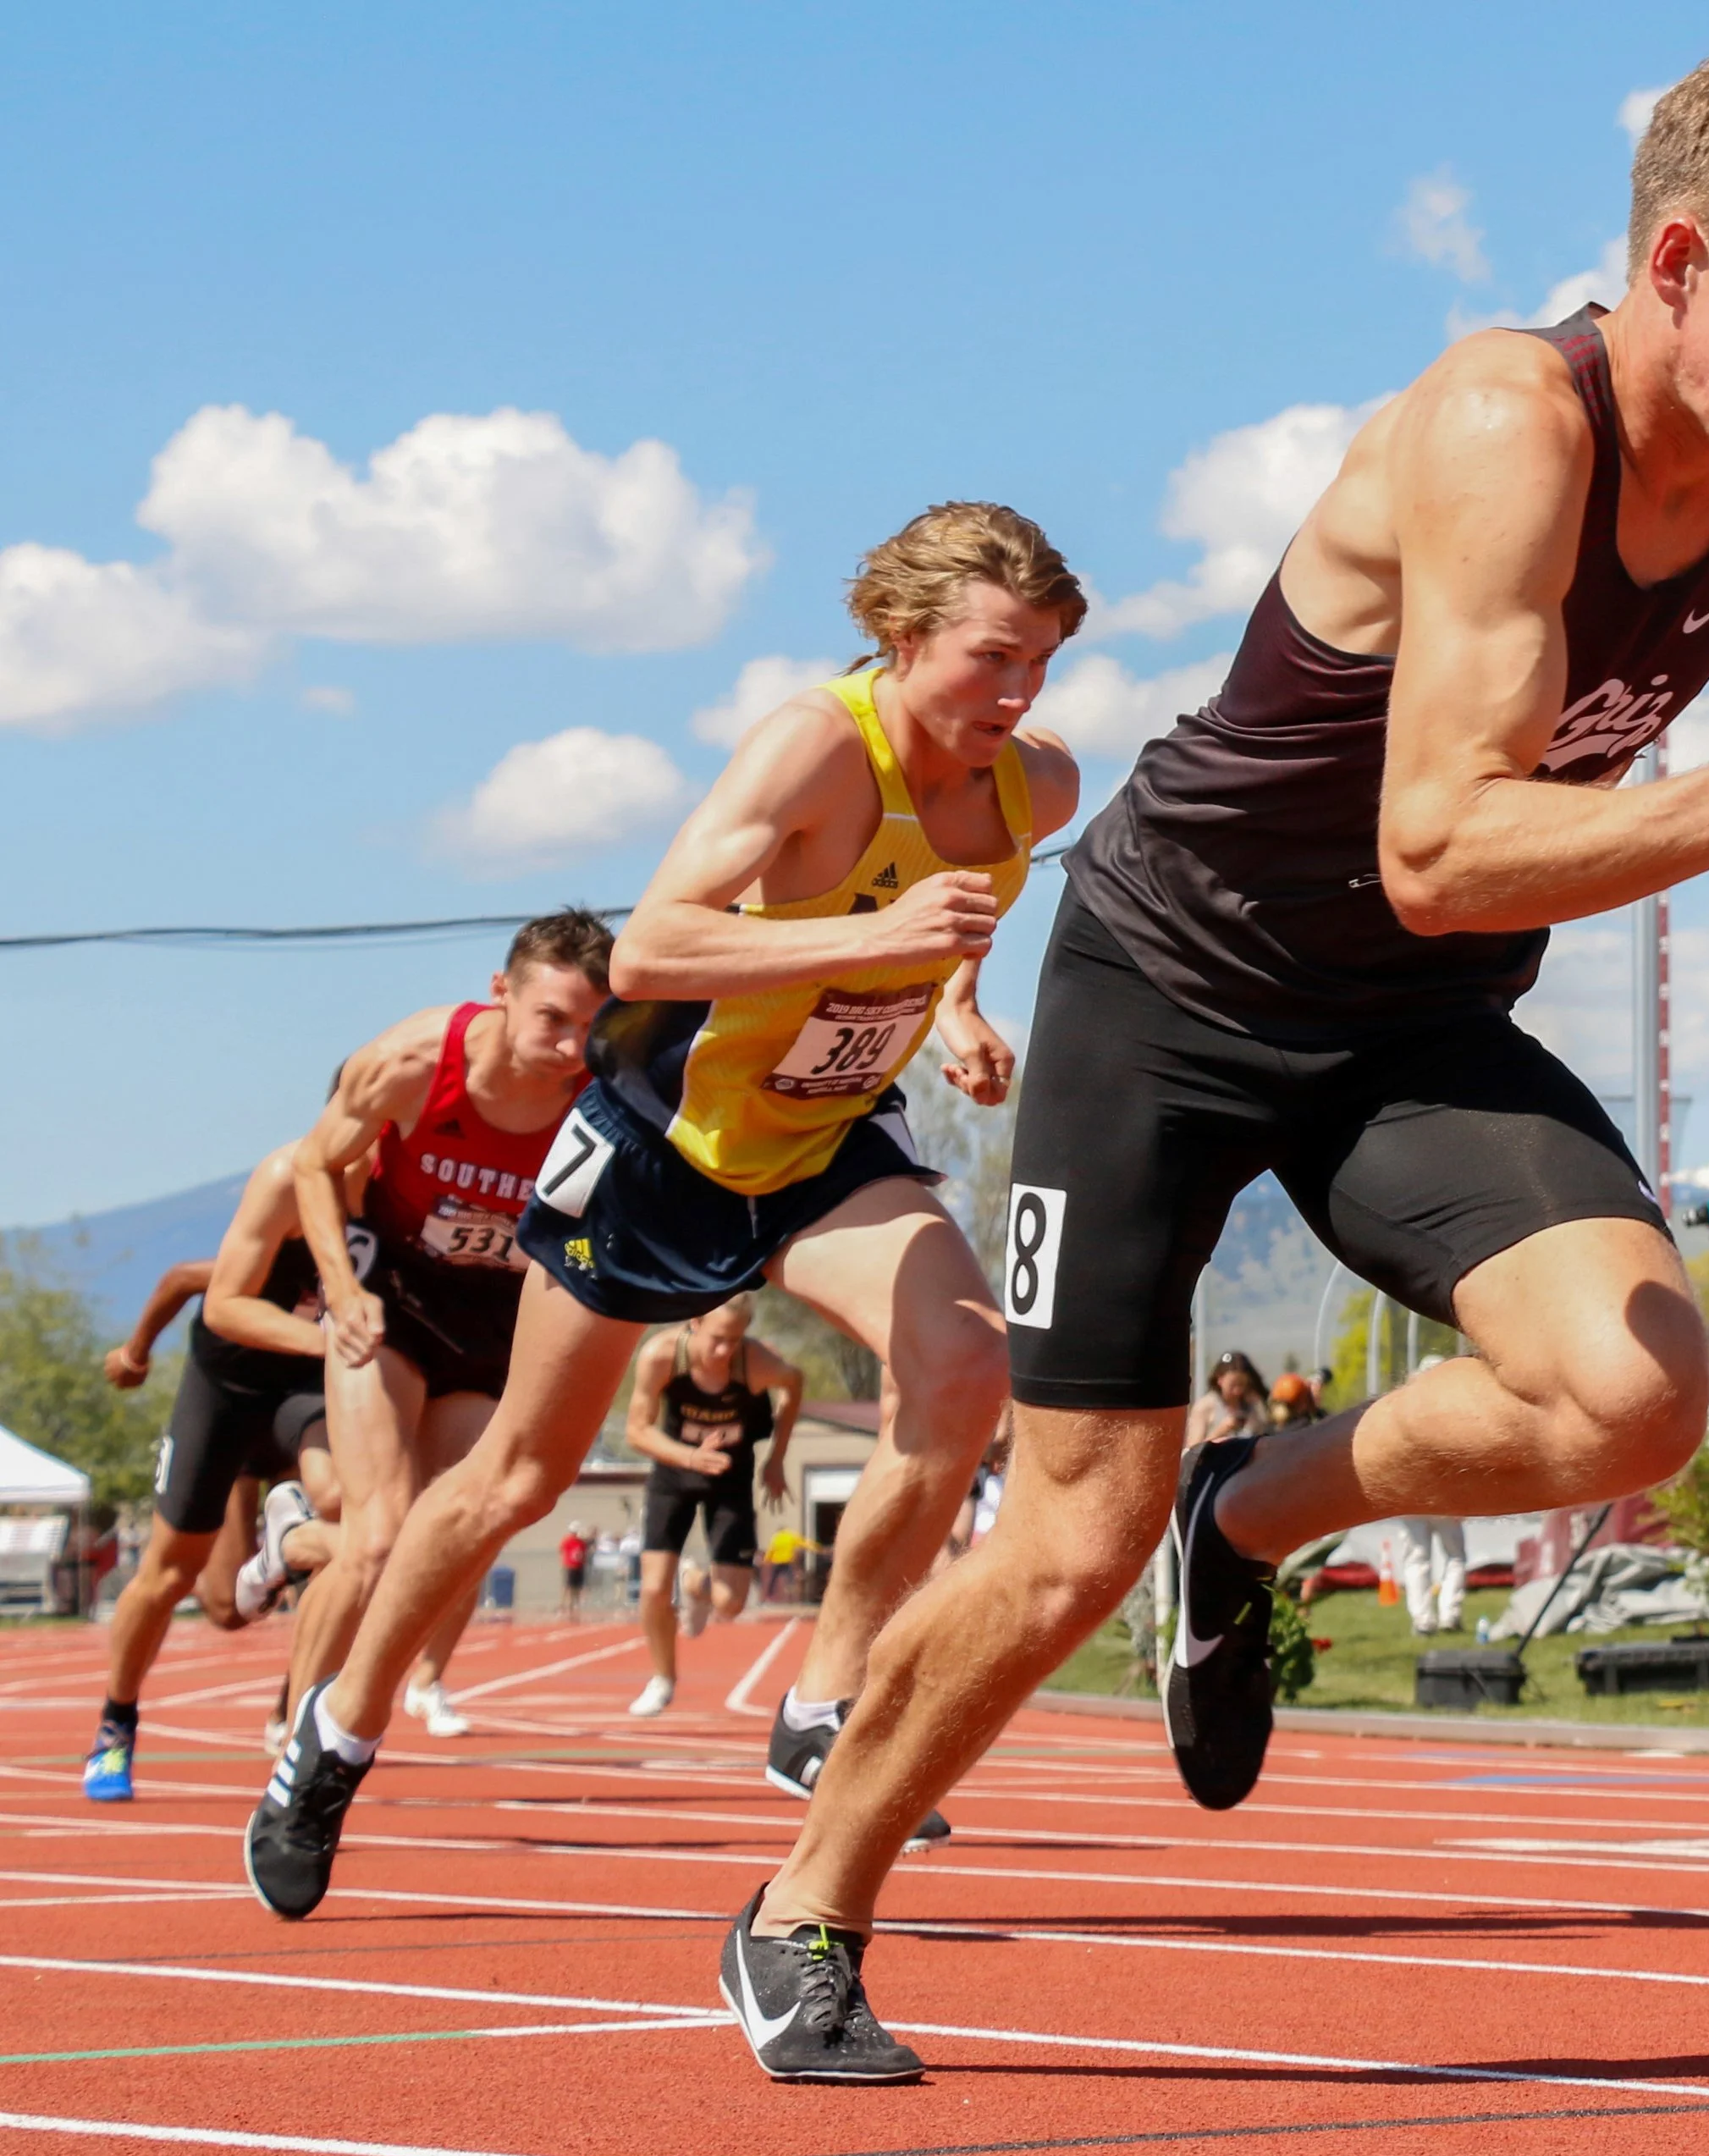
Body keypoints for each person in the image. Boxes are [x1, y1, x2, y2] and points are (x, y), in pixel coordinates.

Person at [720, 41, 1709, 2082]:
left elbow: (1475, 862)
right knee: (1065, 1535)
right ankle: (805, 1905)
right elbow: (1441, 833)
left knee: (1635, 1392)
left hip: (1408, 1017)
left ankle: (1254, 1517)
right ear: (1673, 260)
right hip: (1171, 992)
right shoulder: (1503, 423)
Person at [243, 502, 1083, 1935]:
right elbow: (651, 943)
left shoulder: (1035, 785)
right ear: (900, 637)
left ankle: (823, 1698)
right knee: (514, 1474)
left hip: (825, 1142)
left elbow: (945, 921)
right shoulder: (815, 744)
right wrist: (877, 941)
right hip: (663, 1140)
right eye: (993, 659)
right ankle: (335, 1733)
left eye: (1044, 663)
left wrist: (954, 1007)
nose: (1018, 697)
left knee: (963, 1372)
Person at [273, 910, 615, 1736]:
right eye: (553, 1020)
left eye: (589, 1027)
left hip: (496, 1317)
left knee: (451, 1537)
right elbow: (314, 1161)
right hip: (394, 1296)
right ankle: (297, 1736)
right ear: (500, 992)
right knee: (378, 1533)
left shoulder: (602, 1093)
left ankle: (292, 1550)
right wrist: (340, 1289)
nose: (571, 1046)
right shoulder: (413, 1060)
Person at [82, 1150, 345, 1800]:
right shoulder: (290, 1213)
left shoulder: (386, 1225)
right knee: (208, 1596)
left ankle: (294, 1711)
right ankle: (116, 1725)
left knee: (343, 1511)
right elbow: (180, 1278)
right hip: (223, 1399)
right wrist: (135, 1354)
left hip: (304, 1400)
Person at [624, 1294, 802, 1718]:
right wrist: (688, 1457)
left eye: (735, 1341)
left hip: (731, 1477)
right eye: (718, 1339)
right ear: (695, 1323)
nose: (725, 1352)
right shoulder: (661, 1356)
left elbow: (795, 1384)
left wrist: (776, 1459)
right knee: (652, 1587)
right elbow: (636, 1431)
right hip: (674, 1473)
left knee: (729, 1603)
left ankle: (696, 1587)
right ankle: (663, 1678)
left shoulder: (755, 1363)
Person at [1185, 1353, 1271, 1446]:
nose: (1237, 1391)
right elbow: (1192, 1452)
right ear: (1220, 1380)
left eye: (1242, 1385)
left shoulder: (1252, 1405)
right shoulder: (1205, 1406)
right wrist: (1220, 1432)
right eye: (1232, 1385)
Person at [559, 1525, 591, 1619]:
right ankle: (564, 1605)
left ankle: (575, 1604)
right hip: (570, 1566)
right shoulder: (568, 1541)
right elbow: (562, 1551)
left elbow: (584, 1553)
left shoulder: (581, 1542)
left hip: (579, 1566)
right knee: (568, 1586)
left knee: (577, 1587)